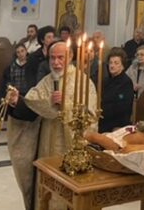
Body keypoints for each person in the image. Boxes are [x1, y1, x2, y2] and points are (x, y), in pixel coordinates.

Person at [6, 41, 94, 210]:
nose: (56, 62)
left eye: (61, 57)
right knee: (47, 190)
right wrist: (18, 100)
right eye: (52, 58)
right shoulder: (47, 81)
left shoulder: (83, 82)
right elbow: (32, 103)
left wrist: (65, 104)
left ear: (71, 56)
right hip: (46, 147)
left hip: (70, 149)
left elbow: (90, 116)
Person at [99, 49, 134, 133]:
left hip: (117, 124)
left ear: (122, 66)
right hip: (103, 120)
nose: (112, 65)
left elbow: (124, 108)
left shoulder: (126, 82)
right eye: (110, 62)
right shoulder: (105, 81)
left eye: (116, 63)